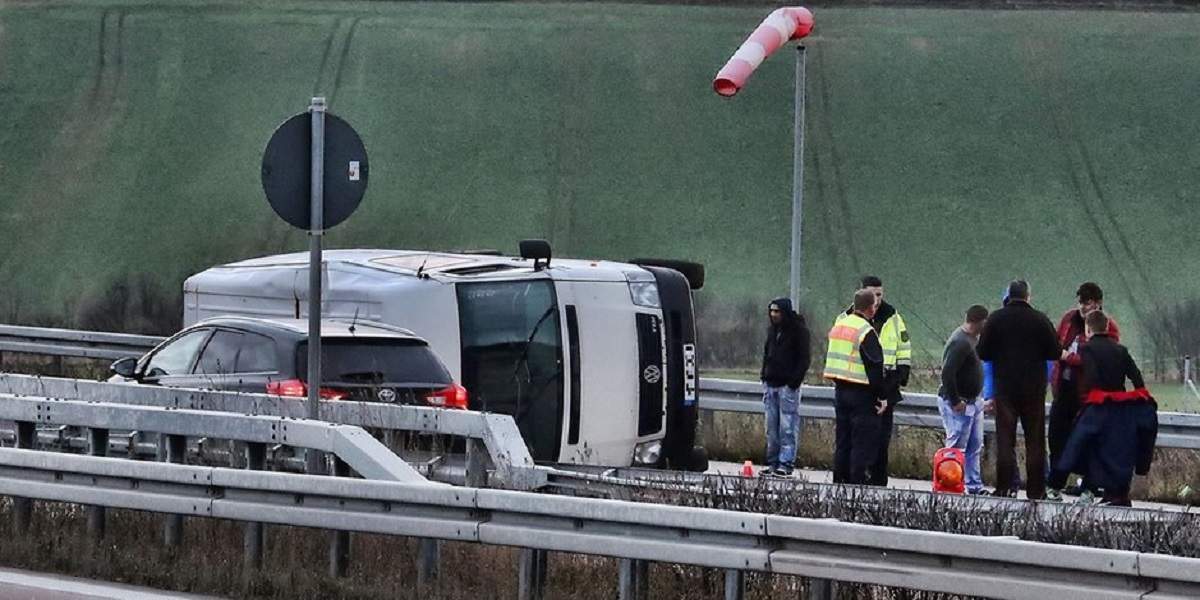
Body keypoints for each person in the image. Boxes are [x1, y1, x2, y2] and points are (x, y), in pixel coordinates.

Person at [1046, 310, 1156, 506]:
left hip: (1097, 405)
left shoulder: (1087, 350)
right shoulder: (1120, 350)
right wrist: (1139, 397)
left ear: (1088, 329)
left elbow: (1089, 376)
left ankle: (1056, 483)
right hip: (1118, 408)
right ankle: (1113, 492)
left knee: (1078, 445)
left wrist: (1085, 399)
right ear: (1107, 328)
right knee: (1112, 449)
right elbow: (1136, 376)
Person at [976, 280, 1059, 500]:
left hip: (1005, 388)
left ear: (1009, 296)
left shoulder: (995, 319)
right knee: (1035, 441)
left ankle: (1005, 488)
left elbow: (982, 352)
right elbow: (1055, 352)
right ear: (1028, 296)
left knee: (1005, 439)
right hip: (1033, 389)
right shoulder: (1040, 320)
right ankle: (1036, 491)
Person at [1048, 282, 1120, 492]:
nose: (1082, 307)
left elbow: (1101, 358)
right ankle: (1055, 484)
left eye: (1087, 303)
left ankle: (1089, 484)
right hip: (1063, 388)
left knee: (1086, 439)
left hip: (1088, 393)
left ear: (1097, 304)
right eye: (1080, 302)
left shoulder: (1108, 326)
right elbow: (1056, 344)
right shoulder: (1069, 319)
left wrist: (1070, 358)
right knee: (1056, 437)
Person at [825, 289, 890, 485]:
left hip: (840, 390)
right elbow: (875, 366)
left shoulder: (839, 326)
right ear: (871, 308)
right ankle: (856, 485)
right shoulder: (865, 331)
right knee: (861, 443)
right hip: (862, 393)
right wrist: (882, 396)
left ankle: (839, 483)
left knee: (843, 442)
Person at [858, 276, 911, 486]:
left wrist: (891, 388)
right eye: (872, 295)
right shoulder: (849, 317)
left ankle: (879, 483)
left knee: (881, 441)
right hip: (860, 386)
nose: (877, 300)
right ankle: (858, 481)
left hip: (887, 385)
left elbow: (904, 353)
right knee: (860, 440)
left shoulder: (894, 317)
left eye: (879, 294)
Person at [938, 305, 989, 494]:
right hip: (959, 403)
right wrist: (954, 400)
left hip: (973, 401)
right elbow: (947, 372)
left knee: (975, 444)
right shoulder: (961, 342)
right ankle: (949, 483)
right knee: (957, 445)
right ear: (979, 322)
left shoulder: (973, 339)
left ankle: (973, 484)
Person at [759, 297, 812, 477]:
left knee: (787, 428)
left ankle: (785, 463)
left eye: (777, 312)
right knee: (771, 429)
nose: (774, 315)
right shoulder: (772, 331)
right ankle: (772, 462)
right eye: (772, 311)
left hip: (787, 387)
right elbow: (767, 353)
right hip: (771, 384)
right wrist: (764, 376)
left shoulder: (799, 331)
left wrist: (793, 382)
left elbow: (804, 359)